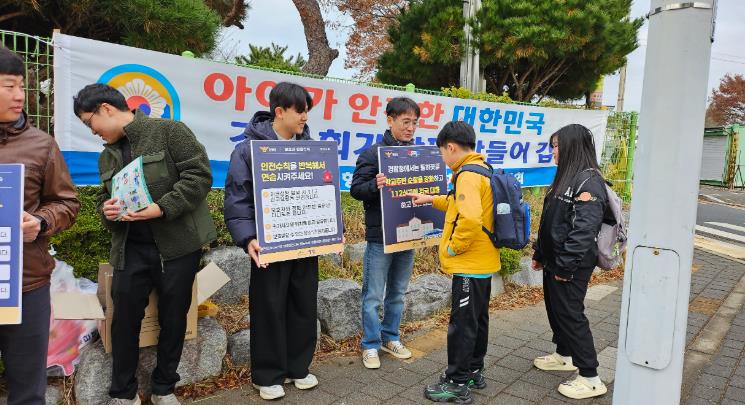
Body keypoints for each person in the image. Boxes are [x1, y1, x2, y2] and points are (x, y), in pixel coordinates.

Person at [73, 83, 217, 405]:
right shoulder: (107, 156)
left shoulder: (169, 132)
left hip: (177, 247)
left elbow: (199, 176)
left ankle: (164, 388)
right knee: (123, 320)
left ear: (106, 109)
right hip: (130, 249)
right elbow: (104, 199)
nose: (92, 131)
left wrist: (162, 207)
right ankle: (124, 393)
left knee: (174, 318)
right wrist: (107, 210)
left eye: (89, 122)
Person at [224, 82, 320, 401]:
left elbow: (324, 192)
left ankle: (298, 368)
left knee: (303, 303)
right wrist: (248, 237)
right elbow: (237, 199)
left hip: (306, 241)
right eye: (300, 111)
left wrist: (334, 229)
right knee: (269, 306)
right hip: (269, 244)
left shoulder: (311, 149)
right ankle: (267, 374)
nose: (305, 117)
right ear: (279, 111)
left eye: (307, 111)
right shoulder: (248, 150)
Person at [0, 46, 80, 405]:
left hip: (25, 285)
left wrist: (41, 221)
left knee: (28, 392)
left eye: (21, 85)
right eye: (9, 86)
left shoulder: (41, 145)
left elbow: (67, 203)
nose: (19, 95)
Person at [409, 121, 501, 404]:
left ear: (450, 147)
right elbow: (459, 205)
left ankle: (457, 382)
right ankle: (473, 371)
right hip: (483, 262)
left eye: (441, 153)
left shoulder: (467, 176)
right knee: (477, 319)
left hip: (468, 264)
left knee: (462, 324)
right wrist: (430, 199)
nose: (442, 158)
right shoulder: (482, 169)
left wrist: (452, 248)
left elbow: (470, 218)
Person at [531, 124, 609, 400]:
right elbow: (550, 221)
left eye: (557, 146)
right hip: (555, 259)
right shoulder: (567, 177)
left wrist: (565, 266)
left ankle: (590, 377)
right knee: (556, 310)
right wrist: (540, 254)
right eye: (553, 146)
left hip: (571, 264)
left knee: (570, 314)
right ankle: (564, 355)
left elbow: (584, 231)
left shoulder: (589, 182)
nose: (553, 151)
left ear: (572, 147)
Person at [350, 97, 420, 369]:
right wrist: (374, 185)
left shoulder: (417, 156)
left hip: (408, 233)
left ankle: (390, 337)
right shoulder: (373, 154)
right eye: (405, 121)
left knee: (398, 293)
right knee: (373, 295)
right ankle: (370, 344)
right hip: (380, 236)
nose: (410, 128)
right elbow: (356, 189)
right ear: (390, 120)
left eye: (414, 123)